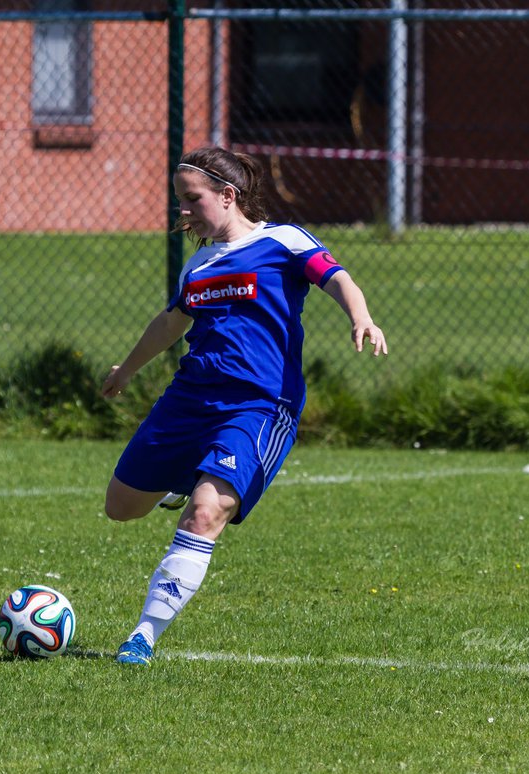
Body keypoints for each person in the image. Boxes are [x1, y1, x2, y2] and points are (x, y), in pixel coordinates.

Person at [101, 146, 387, 665]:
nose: (182, 212)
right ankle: (182, 476)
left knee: (206, 512)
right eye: (179, 202)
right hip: (189, 399)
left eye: (192, 200)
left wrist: (360, 315)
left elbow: (336, 275)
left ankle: (142, 635)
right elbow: (171, 323)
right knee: (120, 508)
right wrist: (126, 369)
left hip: (258, 406)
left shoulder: (282, 241)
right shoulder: (198, 266)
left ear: (228, 196)